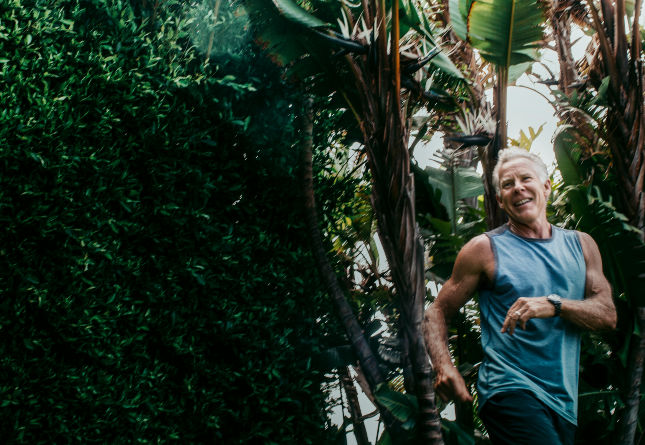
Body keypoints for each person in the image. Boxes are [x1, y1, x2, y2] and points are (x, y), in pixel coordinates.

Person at [423, 147, 617, 445]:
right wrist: (444, 367)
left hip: (563, 403)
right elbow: (436, 311)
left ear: (546, 186)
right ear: (500, 200)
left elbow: (607, 315)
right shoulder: (484, 249)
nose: (518, 188)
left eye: (526, 178)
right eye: (507, 185)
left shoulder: (582, 246)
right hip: (509, 391)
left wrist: (554, 305)